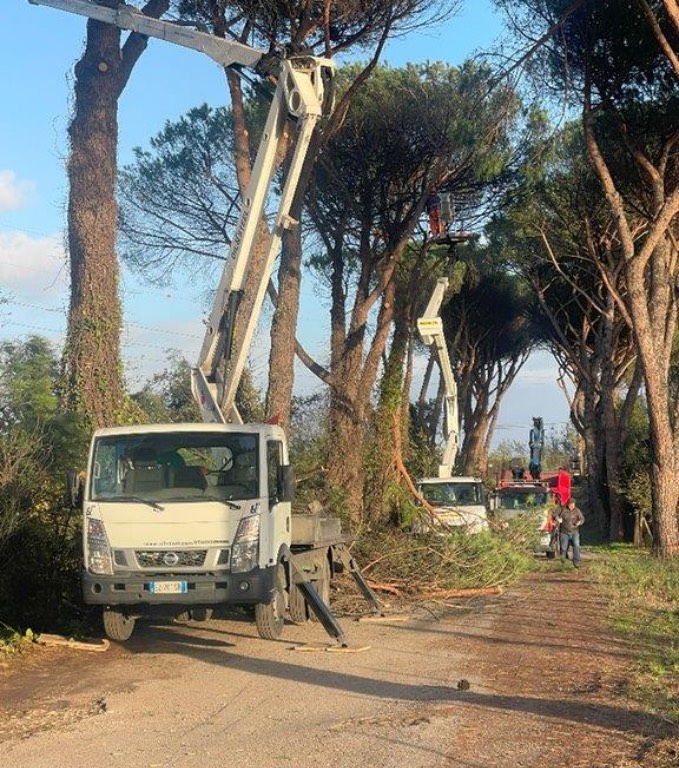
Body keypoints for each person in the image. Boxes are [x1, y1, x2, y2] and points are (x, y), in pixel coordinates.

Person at [556, 498, 585, 568]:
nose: (572, 506)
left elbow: (582, 519)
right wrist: (558, 519)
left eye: (573, 504)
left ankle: (576, 562)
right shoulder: (562, 510)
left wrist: (579, 522)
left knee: (576, 546)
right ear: (567, 504)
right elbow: (555, 515)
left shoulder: (577, 510)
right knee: (563, 548)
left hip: (574, 532)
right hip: (564, 532)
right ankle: (563, 562)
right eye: (571, 504)